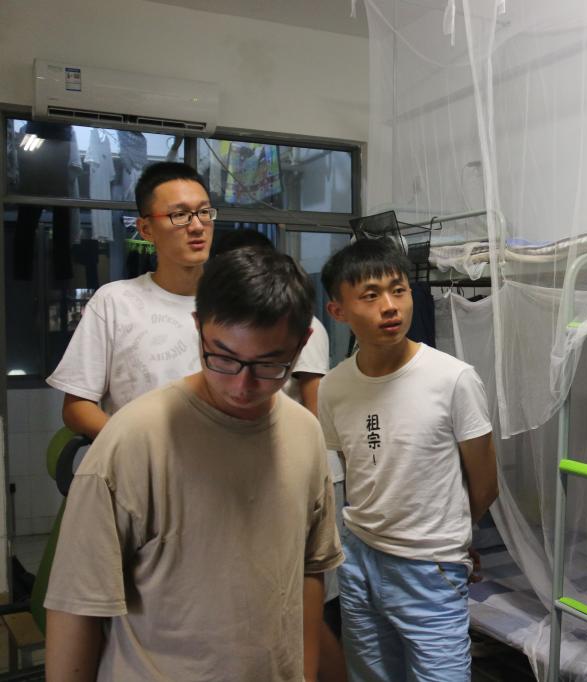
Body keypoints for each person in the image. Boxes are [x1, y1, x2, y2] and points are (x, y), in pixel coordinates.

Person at [43, 246, 343, 682]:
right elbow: (76, 605)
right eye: (222, 357)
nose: (241, 385)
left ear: (303, 343)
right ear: (198, 326)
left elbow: (311, 568)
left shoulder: (306, 434)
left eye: (269, 364)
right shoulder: (132, 440)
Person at [318, 238, 498, 681]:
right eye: (370, 295)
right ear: (338, 311)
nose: (390, 307)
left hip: (430, 566)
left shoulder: (453, 379)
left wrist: (449, 535)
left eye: (398, 290)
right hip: (358, 559)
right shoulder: (333, 387)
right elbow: (357, 470)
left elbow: (485, 484)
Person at [210, 227, 348, 680]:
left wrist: (304, 467)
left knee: (310, 598)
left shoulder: (301, 326)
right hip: (256, 472)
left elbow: (314, 405)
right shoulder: (224, 325)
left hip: (299, 470)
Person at [47, 161, 216, 439]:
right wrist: (135, 445)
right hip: (139, 460)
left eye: (204, 212)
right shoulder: (115, 302)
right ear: (146, 229)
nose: (197, 226)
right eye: (180, 215)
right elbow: (77, 407)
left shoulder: (235, 303)